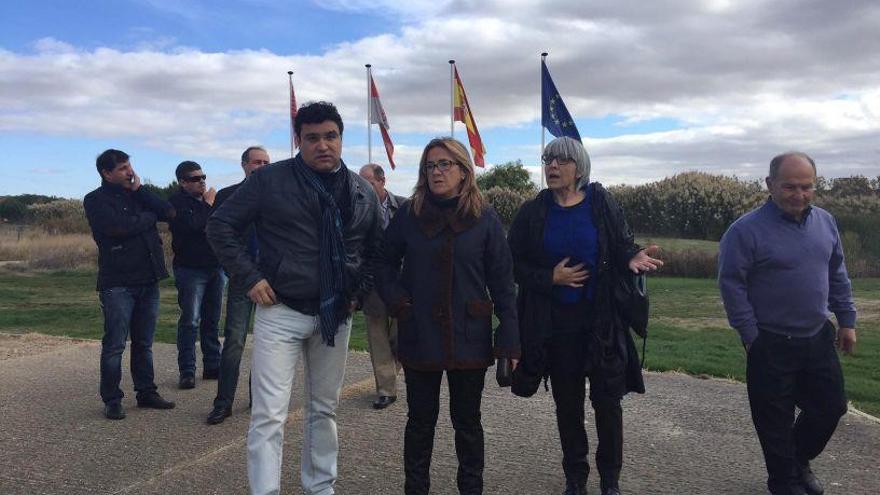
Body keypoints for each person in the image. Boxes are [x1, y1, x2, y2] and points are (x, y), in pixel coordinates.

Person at [207, 101, 382, 495]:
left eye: (331, 136)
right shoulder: (269, 180)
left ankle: (320, 487)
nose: (323, 145)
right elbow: (220, 226)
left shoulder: (360, 190)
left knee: (324, 409)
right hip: (280, 309)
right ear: (299, 140)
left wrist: (357, 292)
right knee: (269, 415)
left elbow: (376, 249)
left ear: (341, 138)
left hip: (335, 313)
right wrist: (249, 276)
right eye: (312, 138)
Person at [507, 136, 662, 495]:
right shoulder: (534, 211)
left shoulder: (600, 203)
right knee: (568, 405)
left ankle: (610, 480)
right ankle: (575, 477)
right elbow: (513, 264)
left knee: (608, 403)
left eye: (561, 161)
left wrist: (632, 257)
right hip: (557, 326)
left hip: (601, 322)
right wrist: (550, 277)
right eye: (548, 160)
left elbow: (621, 243)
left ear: (580, 167)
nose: (552, 167)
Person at [380, 137, 520, 495]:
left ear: (463, 171)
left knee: (468, 423)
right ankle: (416, 489)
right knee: (420, 421)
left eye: (444, 164)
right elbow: (381, 263)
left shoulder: (484, 218)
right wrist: (399, 303)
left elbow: (503, 282)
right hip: (420, 331)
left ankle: (471, 489)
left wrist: (509, 338)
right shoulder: (410, 215)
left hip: (469, 334)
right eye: (430, 166)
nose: (436, 172)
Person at [719, 151, 856, 495]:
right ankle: (783, 482)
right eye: (790, 186)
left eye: (807, 187)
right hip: (770, 340)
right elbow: (731, 283)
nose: (799, 194)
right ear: (770, 185)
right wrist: (751, 336)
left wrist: (847, 320)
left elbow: (836, 272)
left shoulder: (825, 222)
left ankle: (797, 461)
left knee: (830, 407)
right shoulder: (745, 231)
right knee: (774, 422)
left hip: (817, 336)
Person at [83, 149, 177, 420]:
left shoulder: (137, 195)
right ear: (106, 173)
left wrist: (142, 191)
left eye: (130, 166)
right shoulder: (95, 200)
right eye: (123, 168)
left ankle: (146, 392)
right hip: (118, 283)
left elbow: (169, 212)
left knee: (144, 342)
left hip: (148, 278)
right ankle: (112, 398)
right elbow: (117, 228)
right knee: (115, 344)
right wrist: (148, 219)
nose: (130, 172)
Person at [206, 146, 270, 425]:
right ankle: (223, 402)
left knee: (267, 344)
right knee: (234, 342)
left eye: (267, 162)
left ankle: (260, 399)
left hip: (274, 282)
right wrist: (236, 271)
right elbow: (218, 236)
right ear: (244, 165)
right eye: (257, 161)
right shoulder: (229, 196)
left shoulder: (279, 196)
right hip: (244, 280)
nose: (262, 165)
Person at [168, 161, 224, 390]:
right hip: (190, 269)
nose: (201, 181)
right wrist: (209, 205)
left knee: (212, 319)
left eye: (203, 177)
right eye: (195, 178)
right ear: (182, 182)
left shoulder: (210, 202)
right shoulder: (175, 203)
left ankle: (212, 365)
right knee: (191, 320)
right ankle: (187, 370)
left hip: (216, 266)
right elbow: (193, 225)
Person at [358, 163, 406, 410]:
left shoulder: (405, 206)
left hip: (401, 284)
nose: (363, 186)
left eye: (369, 182)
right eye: (361, 182)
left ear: (382, 181)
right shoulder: (357, 210)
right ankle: (386, 389)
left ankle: (392, 370)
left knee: (400, 337)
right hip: (373, 284)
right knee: (378, 337)